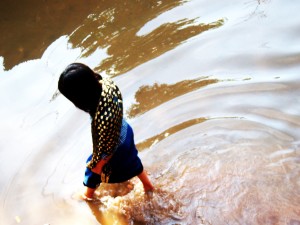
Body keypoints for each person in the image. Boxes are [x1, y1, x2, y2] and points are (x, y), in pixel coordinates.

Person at [58, 63, 154, 200]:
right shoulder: (106, 85)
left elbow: (109, 147)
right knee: (132, 158)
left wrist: (99, 164)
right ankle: (147, 184)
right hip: (125, 130)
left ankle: (88, 195)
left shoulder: (102, 119)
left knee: (92, 171)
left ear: (79, 99)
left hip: (116, 145)